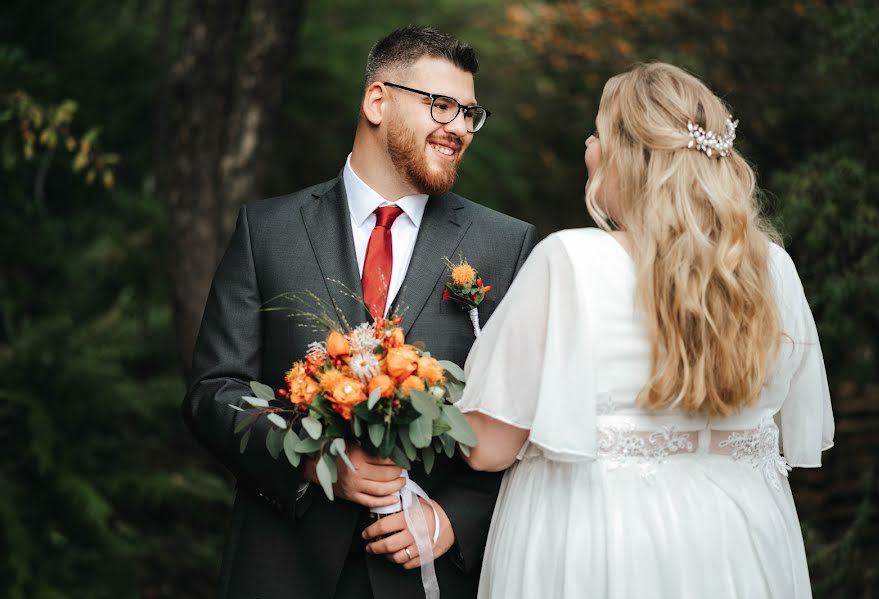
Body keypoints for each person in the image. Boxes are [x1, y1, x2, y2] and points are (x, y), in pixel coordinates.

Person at [182, 26, 537, 599]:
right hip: (281, 565)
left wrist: (452, 521)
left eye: (470, 114)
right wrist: (310, 461)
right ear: (377, 100)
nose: (459, 129)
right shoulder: (267, 231)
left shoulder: (506, 244)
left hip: (426, 576)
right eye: (441, 106)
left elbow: (525, 416)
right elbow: (212, 391)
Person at [456, 62, 834, 598]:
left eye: (599, 131)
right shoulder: (773, 270)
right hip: (742, 545)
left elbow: (487, 447)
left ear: (628, 156)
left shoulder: (569, 261)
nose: (589, 145)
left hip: (601, 544)